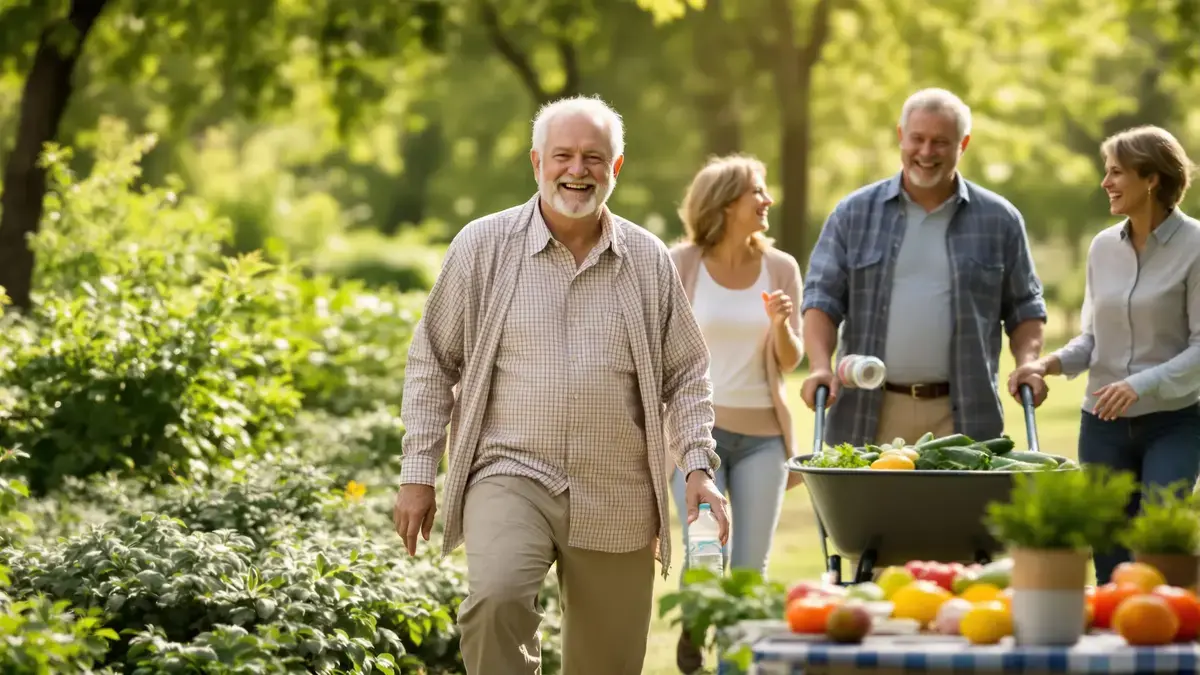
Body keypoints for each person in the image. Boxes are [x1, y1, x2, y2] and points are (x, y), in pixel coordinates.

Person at [391, 94, 730, 675]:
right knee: (496, 598)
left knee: (607, 662)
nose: (578, 171)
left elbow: (686, 373)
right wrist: (419, 473)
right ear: (536, 162)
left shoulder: (647, 260)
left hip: (618, 486)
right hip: (510, 472)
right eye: (563, 156)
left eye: (594, 158)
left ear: (616, 168)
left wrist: (698, 465)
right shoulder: (482, 246)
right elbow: (432, 360)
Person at [799, 87, 1049, 449]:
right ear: (901, 137)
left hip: (963, 414)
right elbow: (822, 299)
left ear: (963, 144)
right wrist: (821, 365)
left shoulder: (1000, 219)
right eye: (917, 139)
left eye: (941, 142)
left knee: (959, 509)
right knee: (869, 509)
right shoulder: (853, 214)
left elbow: (1025, 306)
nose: (926, 152)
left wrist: (1028, 363)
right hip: (869, 410)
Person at [1008, 125, 1200, 584]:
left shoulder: (1196, 245)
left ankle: (1163, 642)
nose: (1105, 183)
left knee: (1159, 542)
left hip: (1173, 422)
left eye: (1116, 172)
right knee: (1109, 549)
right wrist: (1046, 364)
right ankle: (1114, 640)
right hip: (1103, 425)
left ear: (1151, 179)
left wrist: (1140, 384)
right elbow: (1093, 339)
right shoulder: (1101, 248)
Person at [666, 154, 804, 673]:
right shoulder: (681, 264)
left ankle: (733, 668)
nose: (767, 201)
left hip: (764, 438)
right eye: (757, 193)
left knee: (749, 565)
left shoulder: (780, 268)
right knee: (705, 554)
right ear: (726, 203)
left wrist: (781, 325)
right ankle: (696, 621)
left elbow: (789, 361)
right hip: (696, 437)